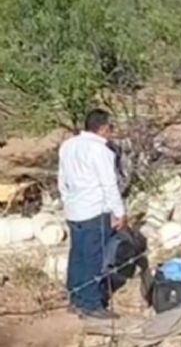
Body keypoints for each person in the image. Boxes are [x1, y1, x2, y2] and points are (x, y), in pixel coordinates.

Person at [58, 109, 126, 319]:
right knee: (93, 258)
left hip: (74, 210)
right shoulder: (100, 150)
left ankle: (76, 298)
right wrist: (119, 211)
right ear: (103, 127)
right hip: (94, 211)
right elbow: (109, 184)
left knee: (77, 255)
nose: (111, 132)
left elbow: (61, 179)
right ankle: (91, 304)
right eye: (110, 128)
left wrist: (67, 201)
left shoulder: (68, 146)